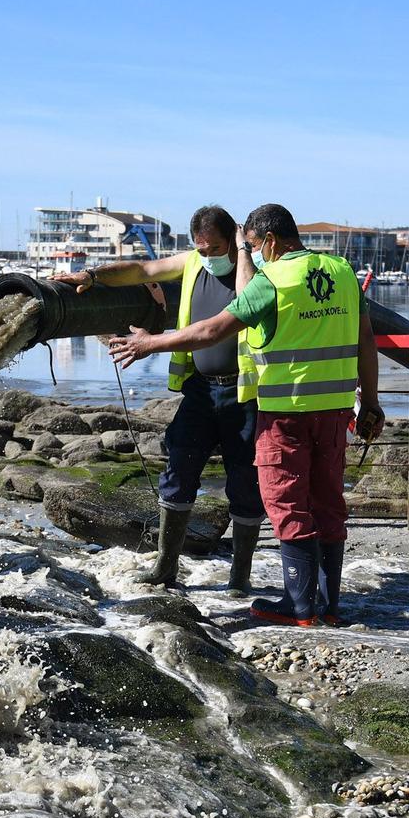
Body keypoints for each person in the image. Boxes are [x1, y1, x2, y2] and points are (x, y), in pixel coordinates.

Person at [107, 203, 382, 626]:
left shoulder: (271, 280)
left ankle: (299, 606)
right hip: (334, 412)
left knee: (285, 502)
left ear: (270, 241)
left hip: (284, 413)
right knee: (328, 502)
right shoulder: (343, 271)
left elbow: (212, 330)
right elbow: (366, 339)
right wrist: (373, 401)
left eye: (252, 247)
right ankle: (327, 605)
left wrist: (149, 344)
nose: (250, 256)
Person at [53, 206, 265, 592]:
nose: (208, 256)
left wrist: (243, 250)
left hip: (245, 394)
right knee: (178, 472)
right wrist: (93, 275)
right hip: (200, 390)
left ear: (233, 239)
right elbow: (142, 270)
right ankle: (165, 569)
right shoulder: (192, 263)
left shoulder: (256, 268)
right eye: (201, 248)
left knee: (246, 484)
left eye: (216, 247)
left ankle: (240, 578)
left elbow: (249, 298)